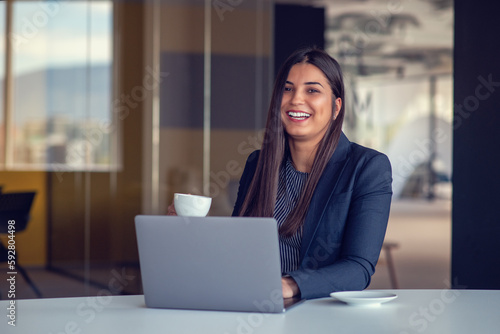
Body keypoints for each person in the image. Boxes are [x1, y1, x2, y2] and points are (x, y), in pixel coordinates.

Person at [231, 46, 393, 300]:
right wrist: (193, 231)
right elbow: (238, 248)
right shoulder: (258, 163)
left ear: (336, 107)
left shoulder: (367, 168)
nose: (296, 99)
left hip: (321, 311)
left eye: (312, 90)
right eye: (287, 89)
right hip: (254, 303)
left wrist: (290, 284)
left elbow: (358, 268)